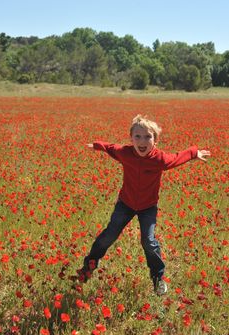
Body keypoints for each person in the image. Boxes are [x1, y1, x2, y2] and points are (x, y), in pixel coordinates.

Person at [75, 115, 211, 296]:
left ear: (155, 141)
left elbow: (178, 157)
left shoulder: (160, 159)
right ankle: (89, 266)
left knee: (148, 241)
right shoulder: (125, 153)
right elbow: (111, 148)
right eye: (137, 136)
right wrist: (98, 145)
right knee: (109, 235)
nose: (142, 141)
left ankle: (158, 278)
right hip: (125, 204)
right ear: (131, 139)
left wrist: (194, 153)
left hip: (148, 207)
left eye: (148, 137)